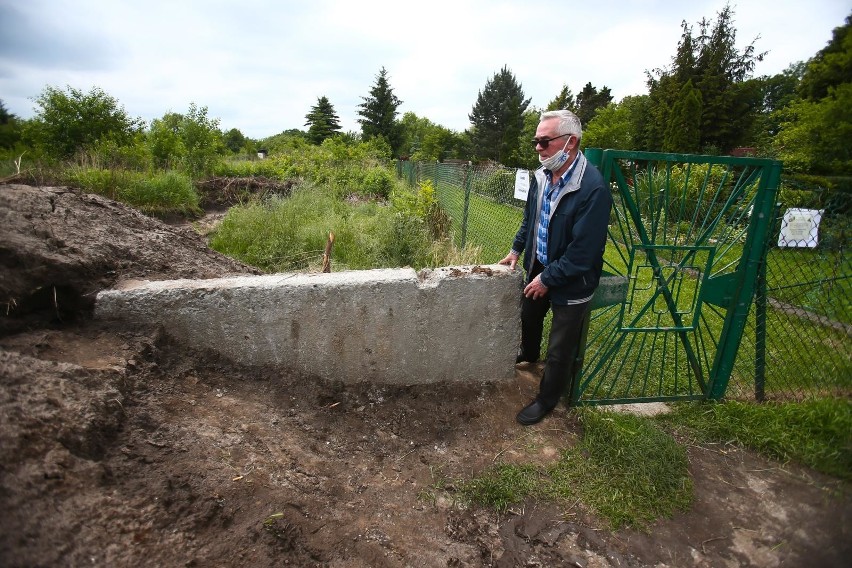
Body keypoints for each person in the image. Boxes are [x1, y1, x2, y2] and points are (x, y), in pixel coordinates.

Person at [498, 109, 612, 425]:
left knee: (561, 347)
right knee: (529, 315)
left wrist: (547, 279)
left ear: (570, 142)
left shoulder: (593, 188)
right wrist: (517, 249)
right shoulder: (541, 177)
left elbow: (583, 254)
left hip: (572, 280)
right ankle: (529, 355)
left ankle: (547, 400)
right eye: (536, 141)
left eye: (544, 142)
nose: (538, 148)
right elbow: (531, 220)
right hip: (541, 266)